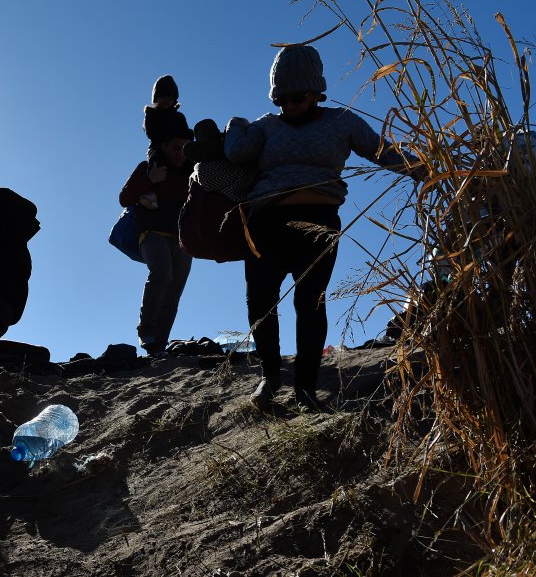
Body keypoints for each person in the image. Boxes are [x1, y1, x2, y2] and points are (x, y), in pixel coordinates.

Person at [224, 45, 423, 412]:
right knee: (261, 302)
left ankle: (305, 388)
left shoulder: (342, 123)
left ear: (317, 92)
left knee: (310, 302)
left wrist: (425, 169)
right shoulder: (265, 126)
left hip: (319, 223)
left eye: (298, 96)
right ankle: (269, 378)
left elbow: (384, 152)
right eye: (281, 98)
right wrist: (236, 124)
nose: (290, 105)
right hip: (266, 223)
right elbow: (236, 153)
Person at [119, 119, 195, 356]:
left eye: (185, 148)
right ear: (163, 146)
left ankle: (158, 346)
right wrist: (150, 180)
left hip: (182, 239)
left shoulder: (192, 175)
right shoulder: (148, 168)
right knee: (162, 273)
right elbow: (124, 198)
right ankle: (146, 329)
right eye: (175, 147)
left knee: (174, 292)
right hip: (151, 233)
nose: (180, 153)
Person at [138, 75, 191, 210]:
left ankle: (191, 189)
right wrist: (167, 137)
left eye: (169, 97)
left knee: (189, 162)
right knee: (156, 162)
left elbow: (185, 133)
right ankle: (152, 193)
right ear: (156, 99)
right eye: (162, 96)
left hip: (177, 147)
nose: (166, 100)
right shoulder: (151, 115)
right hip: (158, 147)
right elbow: (152, 133)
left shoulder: (179, 117)